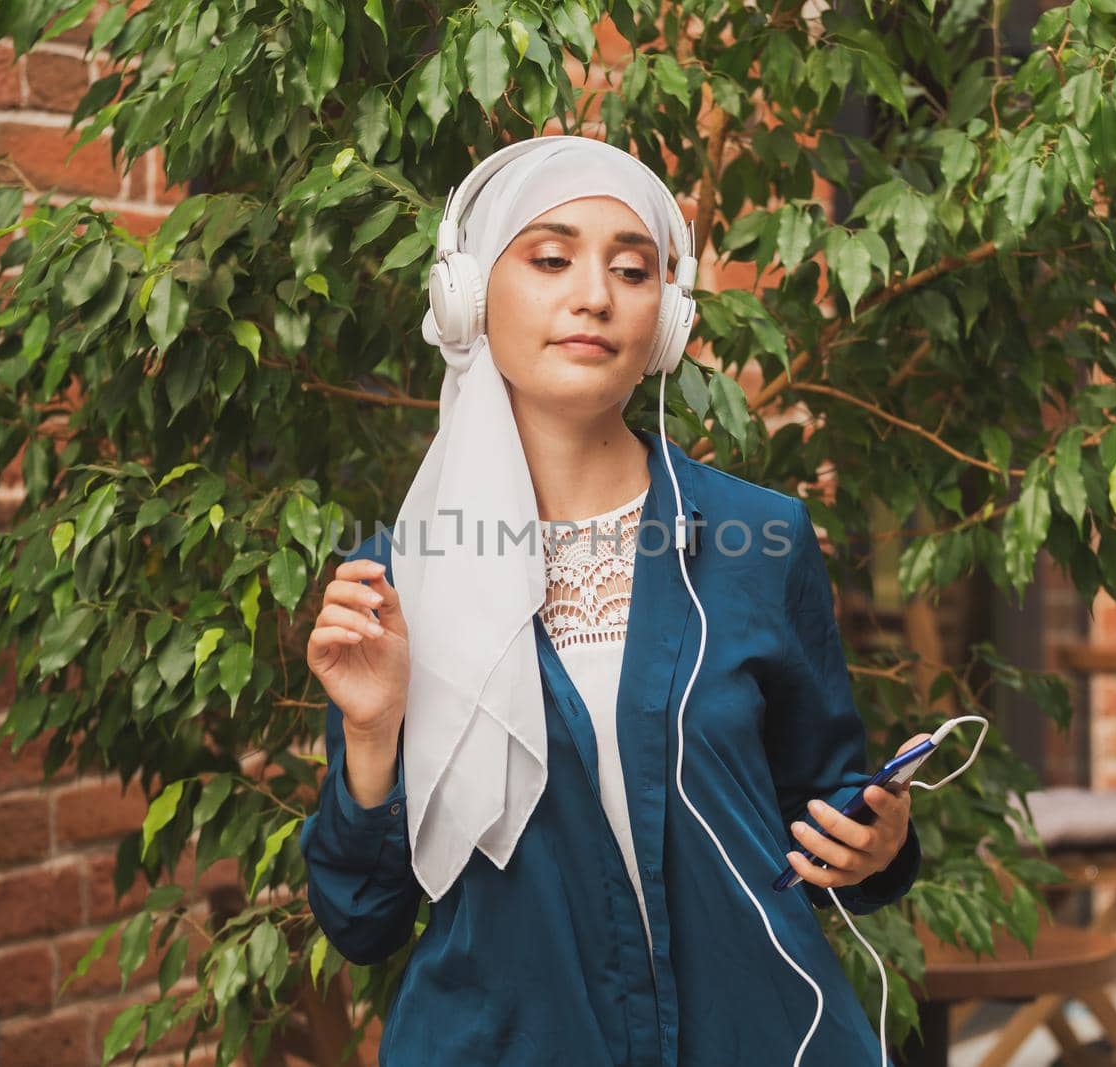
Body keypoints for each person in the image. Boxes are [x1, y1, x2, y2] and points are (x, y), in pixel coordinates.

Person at [300, 134, 928, 1066]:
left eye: (632, 270)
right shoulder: (402, 582)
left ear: (666, 320)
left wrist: (877, 847)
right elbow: (362, 920)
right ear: (469, 297)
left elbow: (828, 821)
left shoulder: (761, 542)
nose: (593, 294)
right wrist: (371, 734)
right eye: (551, 259)